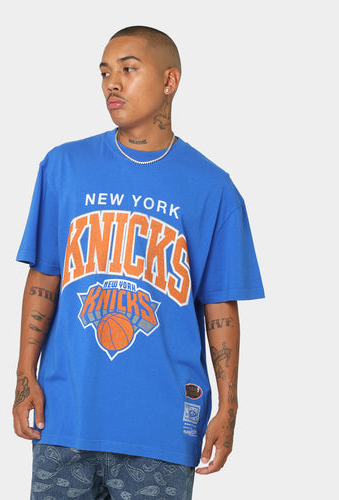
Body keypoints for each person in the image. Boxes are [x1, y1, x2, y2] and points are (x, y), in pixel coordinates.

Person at [13, 25, 264, 500]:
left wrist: (228, 407)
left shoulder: (213, 188)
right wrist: (25, 376)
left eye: (128, 69)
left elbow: (220, 307)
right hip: (66, 418)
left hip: (162, 427)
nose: (112, 83)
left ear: (170, 81)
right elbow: (43, 277)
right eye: (105, 71)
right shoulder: (64, 166)